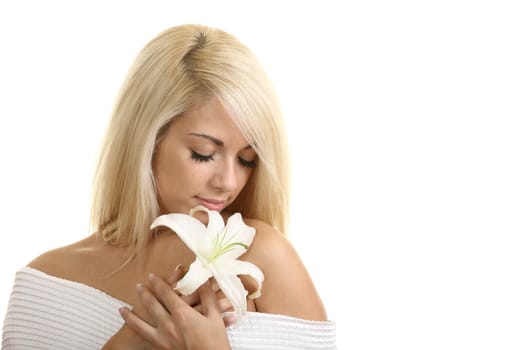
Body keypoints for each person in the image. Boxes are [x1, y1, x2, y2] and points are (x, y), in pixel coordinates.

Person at [1, 24, 337, 349]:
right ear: (146, 141)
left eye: (247, 159)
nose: (229, 182)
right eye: (203, 154)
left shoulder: (264, 259)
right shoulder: (43, 284)